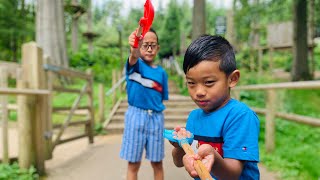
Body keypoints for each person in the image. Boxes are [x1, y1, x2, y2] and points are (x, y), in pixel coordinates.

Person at [170, 35, 260, 180]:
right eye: (191, 83)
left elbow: (233, 173)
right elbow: (178, 161)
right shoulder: (194, 117)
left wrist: (214, 157)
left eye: (209, 82)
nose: (199, 92)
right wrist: (180, 146)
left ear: (232, 79)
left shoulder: (240, 116)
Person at [119, 27, 169, 180]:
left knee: (157, 163)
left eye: (152, 45)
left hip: (156, 118)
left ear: (157, 48)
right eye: (144, 44)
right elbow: (133, 55)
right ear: (139, 46)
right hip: (136, 116)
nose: (149, 49)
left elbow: (161, 98)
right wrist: (134, 46)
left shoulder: (161, 73)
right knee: (133, 164)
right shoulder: (135, 65)